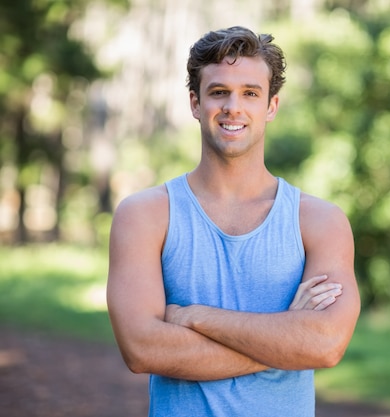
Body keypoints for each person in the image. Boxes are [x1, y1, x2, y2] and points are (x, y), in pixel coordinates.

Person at [106, 26, 360, 417]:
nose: (233, 107)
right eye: (219, 92)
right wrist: (288, 338)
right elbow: (143, 350)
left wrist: (194, 317)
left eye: (251, 93)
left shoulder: (320, 221)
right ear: (195, 102)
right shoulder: (145, 216)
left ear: (271, 106)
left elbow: (326, 346)